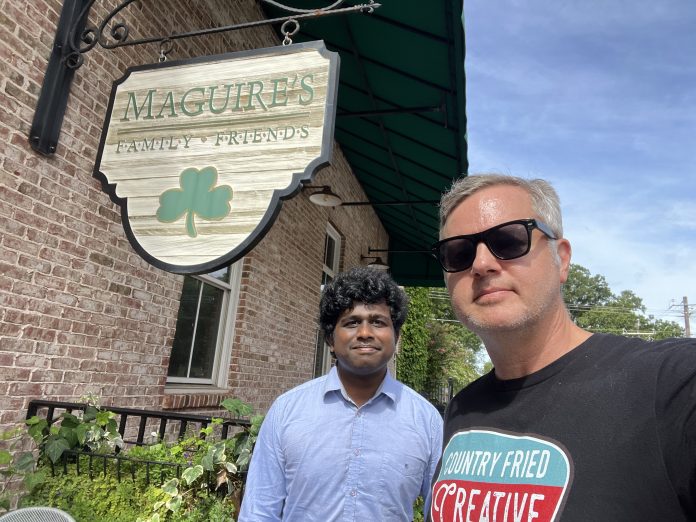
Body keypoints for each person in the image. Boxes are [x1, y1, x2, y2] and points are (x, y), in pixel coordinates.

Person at [428, 173, 696, 521]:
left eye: (508, 240)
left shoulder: (671, 386)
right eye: (459, 251)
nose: (481, 264)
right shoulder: (463, 408)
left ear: (562, 259)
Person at [239, 266, 443, 521]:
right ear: (330, 338)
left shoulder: (427, 421)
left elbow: (439, 512)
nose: (366, 333)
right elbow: (259, 511)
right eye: (352, 322)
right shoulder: (286, 411)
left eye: (378, 322)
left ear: (396, 336)